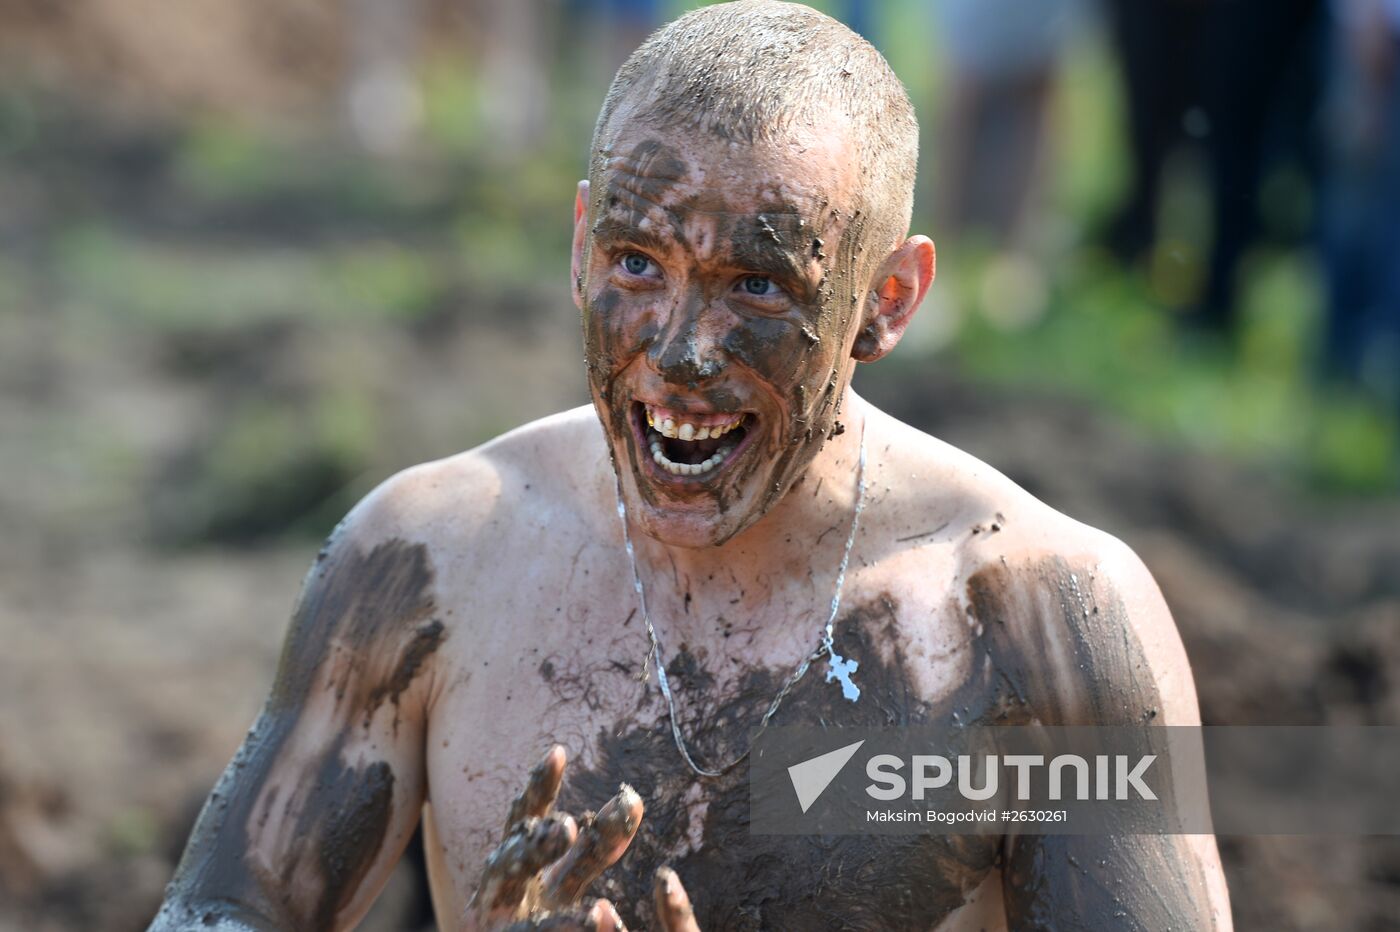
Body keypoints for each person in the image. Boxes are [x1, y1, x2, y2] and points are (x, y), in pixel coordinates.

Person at [150, 2, 1232, 929]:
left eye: (755, 285)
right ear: (579, 246)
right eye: (635, 262)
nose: (677, 351)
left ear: (886, 300)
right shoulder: (431, 558)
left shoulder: (1040, 621)